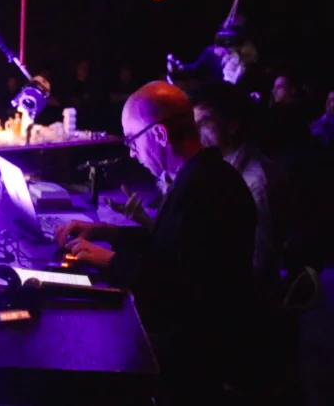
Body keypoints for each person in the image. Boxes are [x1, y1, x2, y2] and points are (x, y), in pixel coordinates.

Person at [55, 81, 259, 405]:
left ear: (160, 135)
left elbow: (177, 285)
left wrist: (109, 260)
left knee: (83, 347)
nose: (131, 152)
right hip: (195, 329)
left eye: (132, 140)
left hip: (199, 348)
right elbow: (170, 244)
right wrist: (106, 232)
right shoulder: (201, 174)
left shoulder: (207, 189)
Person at [189, 81, 290, 293]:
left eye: (204, 122)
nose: (195, 132)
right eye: (193, 124)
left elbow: (258, 265)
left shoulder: (255, 182)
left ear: (232, 124)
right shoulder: (215, 166)